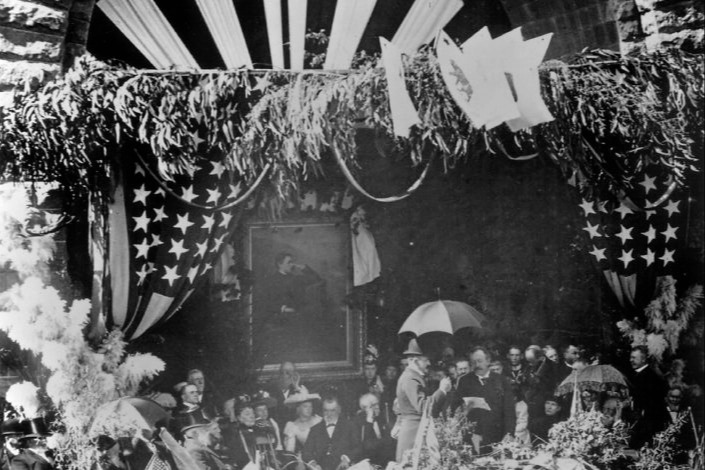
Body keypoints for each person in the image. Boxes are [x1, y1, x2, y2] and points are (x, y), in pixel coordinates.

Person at [395, 338, 451, 461]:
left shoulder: (413, 377)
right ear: (414, 361)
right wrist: (442, 391)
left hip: (417, 431)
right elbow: (423, 407)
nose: (429, 363)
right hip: (413, 434)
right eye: (425, 360)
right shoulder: (410, 379)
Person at [454, 346, 515, 453]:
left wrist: (509, 433)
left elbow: (509, 410)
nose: (477, 365)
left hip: (498, 435)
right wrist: (465, 409)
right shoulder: (464, 381)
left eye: (480, 361)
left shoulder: (501, 380)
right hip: (474, 437)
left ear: (488, 361)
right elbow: (456, 407)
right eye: (473, 362)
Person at [302, 397, 360, 470]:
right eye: (326, 410)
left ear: (339, 410)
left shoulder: (349, 426)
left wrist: (346, 459)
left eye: (332, 410)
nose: (329, 414)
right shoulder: (315, 429)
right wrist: (313, 463)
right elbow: (306, 451)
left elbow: (358, 447)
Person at [627, 345, 666, 448]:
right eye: (631, 357)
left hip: (648, 424)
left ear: (644, 359)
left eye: (634, 358)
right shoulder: (639, 375)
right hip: (641, 423)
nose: (631, 360)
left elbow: (652, 405)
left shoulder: (650, 377)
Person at [353, 393, 394, 467]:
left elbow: (388, 441)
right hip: (367, 462)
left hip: (384, 460)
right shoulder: (358, 422)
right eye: (373, 405)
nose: (378, 407)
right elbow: (366, 446)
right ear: (365, 408)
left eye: (377, 404)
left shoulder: (381, 418)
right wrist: (369, 421)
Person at [267, 361, 308, 427]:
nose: (285, 374)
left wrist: (296, 387)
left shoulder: (300, 391)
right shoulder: (271, 391)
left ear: (295, 374)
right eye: (283, 371)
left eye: (289, 372)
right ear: (279, 374)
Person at [523, 345, 556, 420]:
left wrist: (540, 380)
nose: (530, 364)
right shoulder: (529, 367)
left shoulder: (552, 367)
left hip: (544, 404)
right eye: (528, 361)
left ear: (540, 357)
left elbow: (551, 386)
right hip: (530, 403)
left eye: (532, 361)